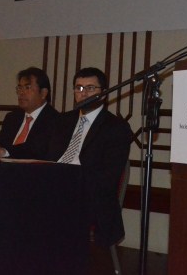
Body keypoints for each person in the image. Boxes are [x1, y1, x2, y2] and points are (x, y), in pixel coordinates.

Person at [46, 67, 133, 249]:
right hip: (54, 186)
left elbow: (107, 178)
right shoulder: (62, 121)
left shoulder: (116, 127)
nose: (83, 93)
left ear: (104, 93)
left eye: (90, 88)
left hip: (90, 196)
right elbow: (47, 157)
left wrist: (69, 180)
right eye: (79, 88)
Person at [0, 67, 59, 160]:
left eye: (27, 88)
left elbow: (35, 150)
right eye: (19, 88)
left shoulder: (55, 120)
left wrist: (4, 152)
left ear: (43, 93)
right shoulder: (12, 118)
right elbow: (0, 146)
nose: (21, 92)